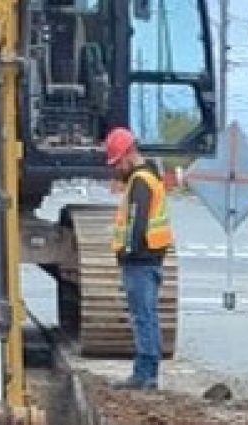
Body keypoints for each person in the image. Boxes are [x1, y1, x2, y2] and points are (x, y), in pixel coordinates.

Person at [105, 127, 172, 390]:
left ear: (127, 155)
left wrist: (129, 252)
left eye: (117, 162)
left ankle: (145, 375)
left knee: (142, 316)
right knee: (148, 315)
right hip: (151, 257)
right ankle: (147, 373)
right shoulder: (151, 177)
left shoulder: (140, 181)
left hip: (140, 260)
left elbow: (137, 220)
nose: (116, 169)